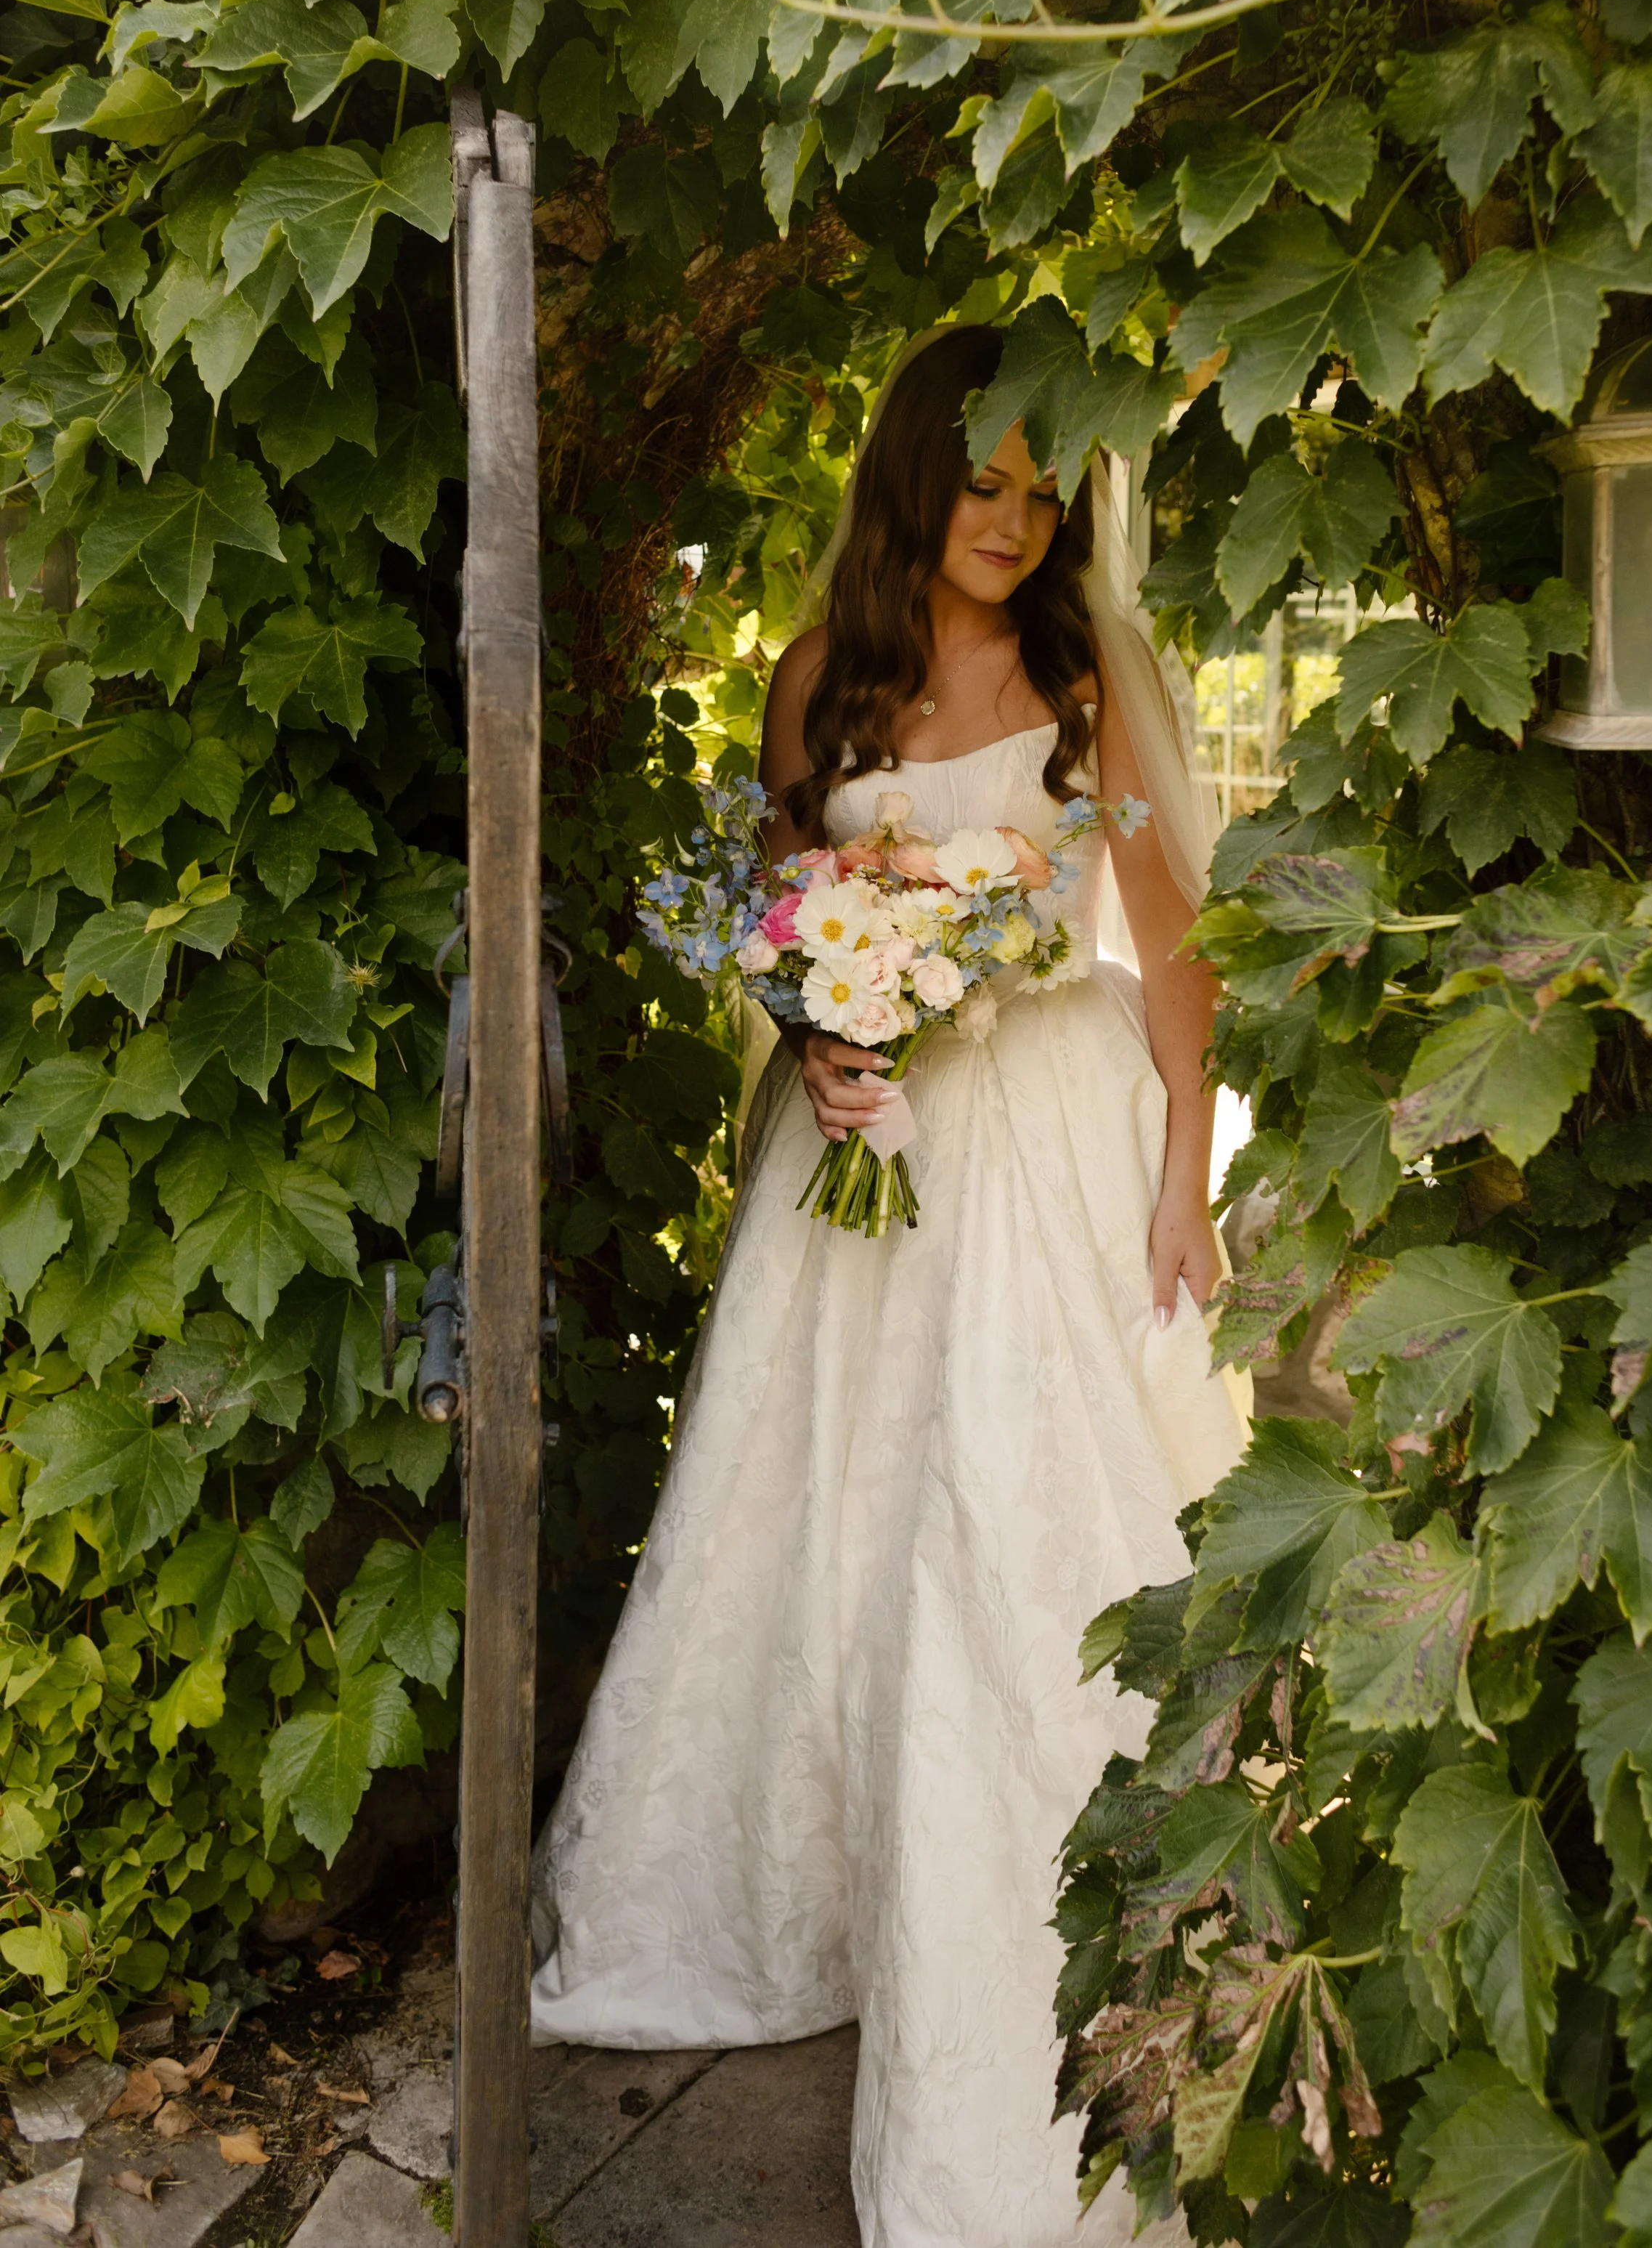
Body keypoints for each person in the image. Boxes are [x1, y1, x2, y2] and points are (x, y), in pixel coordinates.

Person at [529, 325, 1251, 2248]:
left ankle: (1020, 1935)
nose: (1011, 519)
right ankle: (813, 1891)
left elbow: (1172, 955)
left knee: (990, 1527)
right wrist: (821, 1027)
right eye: (981, 479)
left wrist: (1183, 1184)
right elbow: (788, 902)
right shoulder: (815, 681)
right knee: (820, 1510)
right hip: (851, 1154)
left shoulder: (1079, 680)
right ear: (912, 478)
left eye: (1042, 488)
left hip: (1036, 1143)